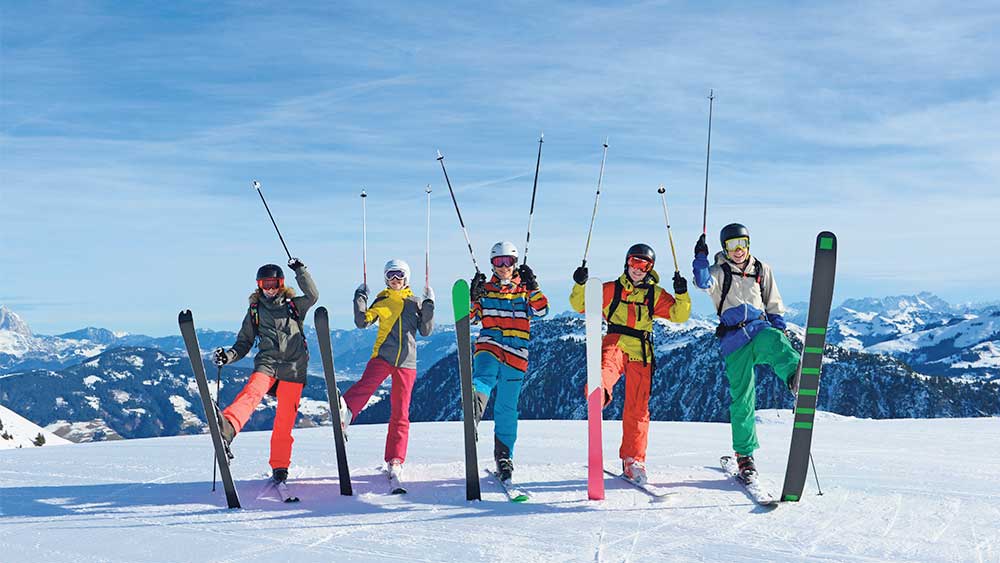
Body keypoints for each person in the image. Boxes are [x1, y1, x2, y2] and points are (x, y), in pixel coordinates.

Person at [569, 244, 690, 485]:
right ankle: (598, 394)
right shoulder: (611, 289)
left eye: (644, 265)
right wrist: (580, 284)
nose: (638, 269)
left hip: (642, 352)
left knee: (638, 408)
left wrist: (681, 293)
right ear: (627, 262)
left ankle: (633, 461)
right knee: (606, 367)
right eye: (635, 262)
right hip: (616, 341)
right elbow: (580, 304)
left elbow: (680, 315)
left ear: (650, 269)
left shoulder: (654, 294)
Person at [692, 224, 799, 481]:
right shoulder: (717, 272)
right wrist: (700, 258)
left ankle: (797, 376)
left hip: (759, 329)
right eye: (732, 245)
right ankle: (745, 455)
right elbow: (702, 282)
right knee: (742, 399)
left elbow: (773, 304)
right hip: (734, 340)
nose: (738, 250)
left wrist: (780, 330)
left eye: (742, 243)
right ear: (724, 248)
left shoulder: (762, 269)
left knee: (775, 339)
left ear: (749, 244)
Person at [212, 258, 318, 484]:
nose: (269, 289)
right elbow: (244, 342)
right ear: (258, 285)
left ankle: (280, 466)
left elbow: (313, 296)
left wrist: (300, 270)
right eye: (264, 284)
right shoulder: (255, 310)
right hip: (267, 363)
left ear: (281, 284)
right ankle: (228, 427)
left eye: (273, 284)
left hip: (294, 368)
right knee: (252, 392)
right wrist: (228, 356)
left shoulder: (294, 306)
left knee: (284, 421)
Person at [338, 259, 434, 482]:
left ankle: (395, 460)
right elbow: (362, 321)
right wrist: (360, 297)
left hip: (407, 362)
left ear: (407, 277)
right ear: (385, 278)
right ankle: (346, 412)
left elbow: (426, 330)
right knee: (366, 385)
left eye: (399, 274)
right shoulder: (382, 300)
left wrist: (429, 304)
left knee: (400, 412)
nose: (395, 279)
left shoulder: (415, 302)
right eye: (391, 275)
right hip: (383, 355)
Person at [468, 241, 549, 483]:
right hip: (490, 345)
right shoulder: (485, 289)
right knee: (484, 376)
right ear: (491, 264)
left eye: (508, 261)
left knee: (507, 407)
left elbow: (542, 311)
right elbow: (470, 319)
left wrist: (533, 287)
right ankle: (473, 408)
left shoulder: (524, 290)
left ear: (515, 263)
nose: (503, 267)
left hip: (517, 355)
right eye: (498, 262)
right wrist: (472, 298)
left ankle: (504, 456)